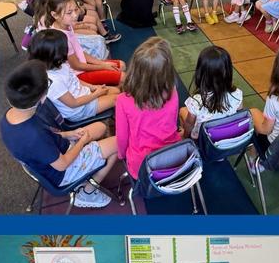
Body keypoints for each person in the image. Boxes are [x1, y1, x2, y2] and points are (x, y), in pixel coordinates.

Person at [1, 61, 118, 209]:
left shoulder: (11, 116)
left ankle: (91, 165)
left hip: (57, 152)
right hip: (63, 172)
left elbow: (48, 133)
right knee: (119, 143)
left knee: (100, 128)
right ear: (43, 97)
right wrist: (82, 142)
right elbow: (62, 165)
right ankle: (88, 192)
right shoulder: (33, 136)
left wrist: (69, 134)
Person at [115, 37, 182, 180]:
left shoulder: (123, 100)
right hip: (175, 158)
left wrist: (121, 155)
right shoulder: (173, 91)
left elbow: (122, 138)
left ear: (135, 68)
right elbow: (172, 121)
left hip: (143, 167)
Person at [28, 30, 118, 123]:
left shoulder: (60, 65)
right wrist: (96, 94)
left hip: (83, 95)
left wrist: (94, 87)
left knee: (117, 91)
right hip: (79, 110)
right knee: (118, 99)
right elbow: (74, 103)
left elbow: (74, 80)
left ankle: (116, 117)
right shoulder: (54, 81)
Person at [44, 0, 124, 85]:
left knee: (121, 65)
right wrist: (103, 66)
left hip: (82, 65)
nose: (75, 15)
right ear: (54, 15)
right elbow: (76, 66)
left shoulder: (67, 25)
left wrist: (102, 63)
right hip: (76, 75)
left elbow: (79, 51)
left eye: (76, 9)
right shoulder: (61, 38)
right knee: (122, 77)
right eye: (69, 13)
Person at [179, 45, 243, 140]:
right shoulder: (237, 93)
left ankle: (186, 140)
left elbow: (189, 124)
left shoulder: (196, 101)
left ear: (201, 72)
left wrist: (185, 135)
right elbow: (239, 114)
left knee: (182, 111)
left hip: (203, 139)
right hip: (225, 135)